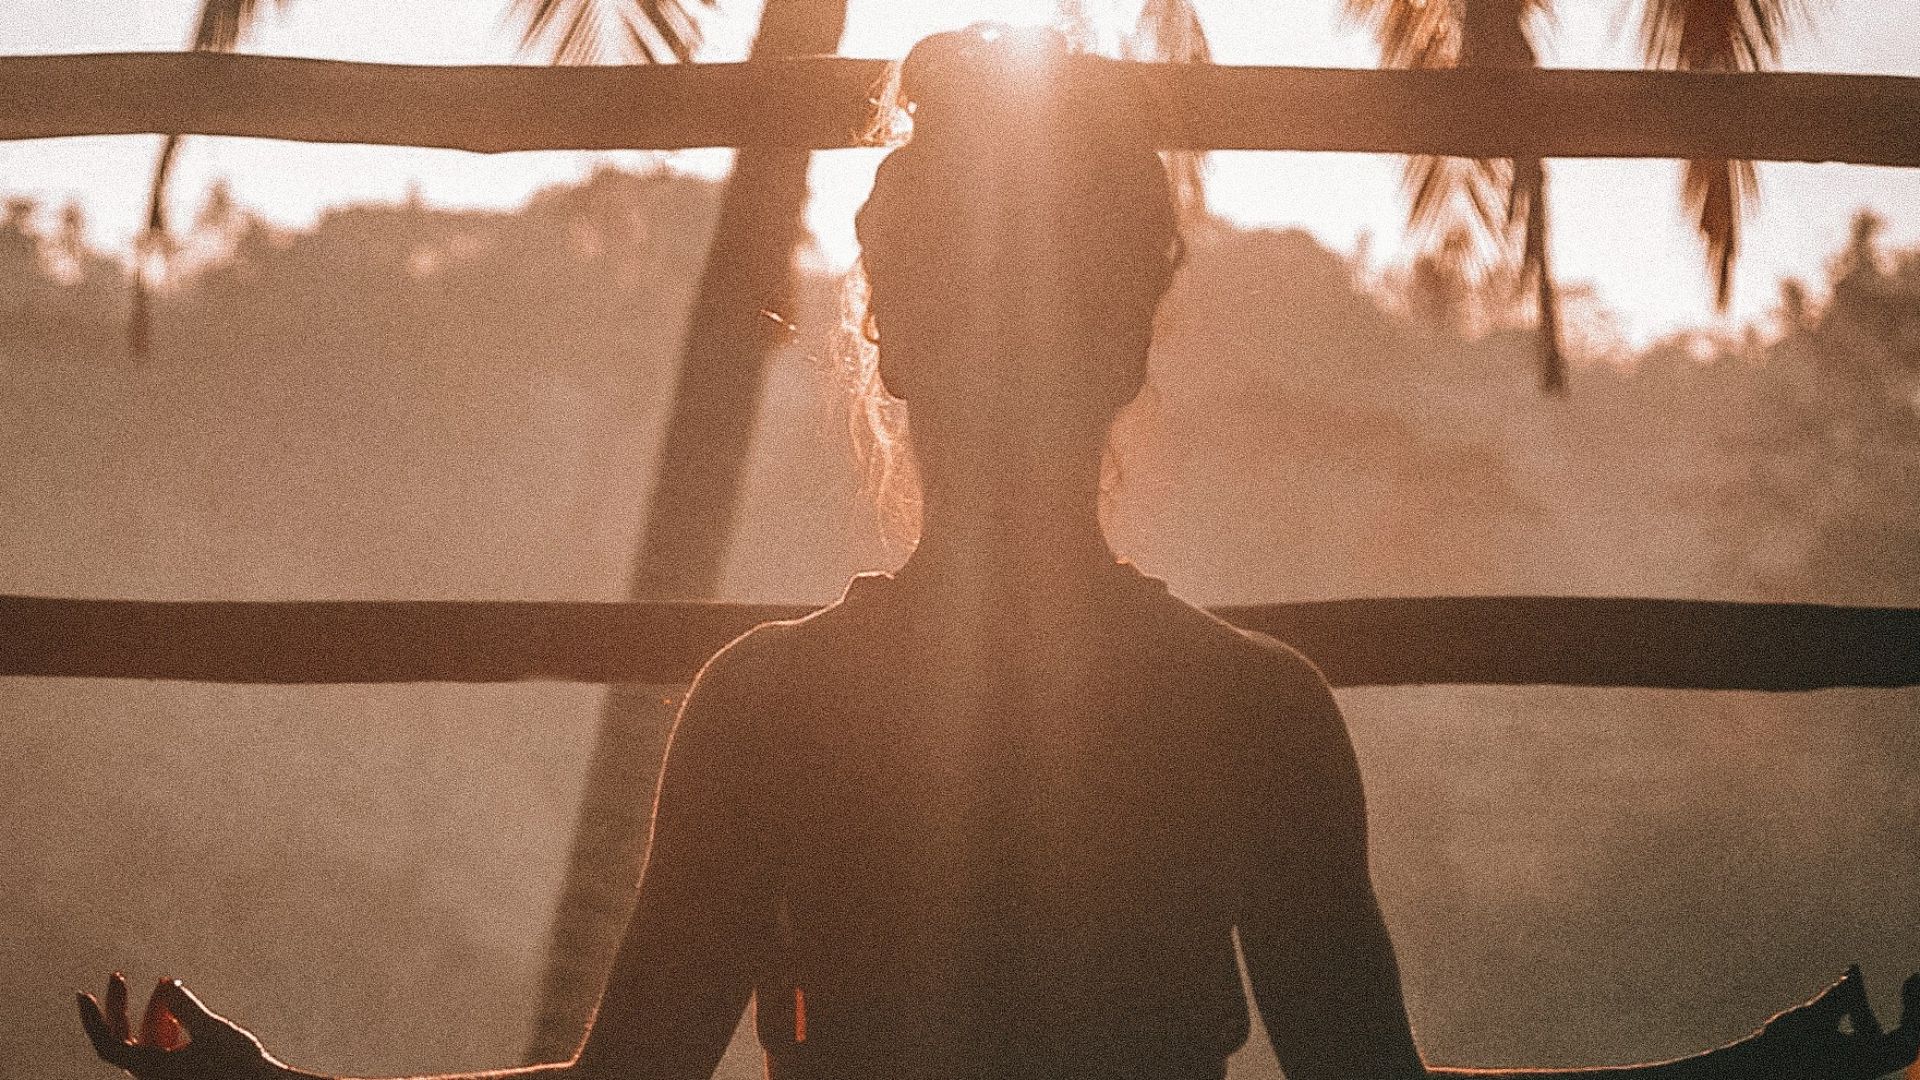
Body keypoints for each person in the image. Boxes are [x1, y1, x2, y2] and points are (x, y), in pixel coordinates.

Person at [81, 23, 1919, 1080]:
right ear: (1132, 341)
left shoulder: (770, 710)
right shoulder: (1252, 715)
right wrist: (1739, 1077)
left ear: (885, 342)